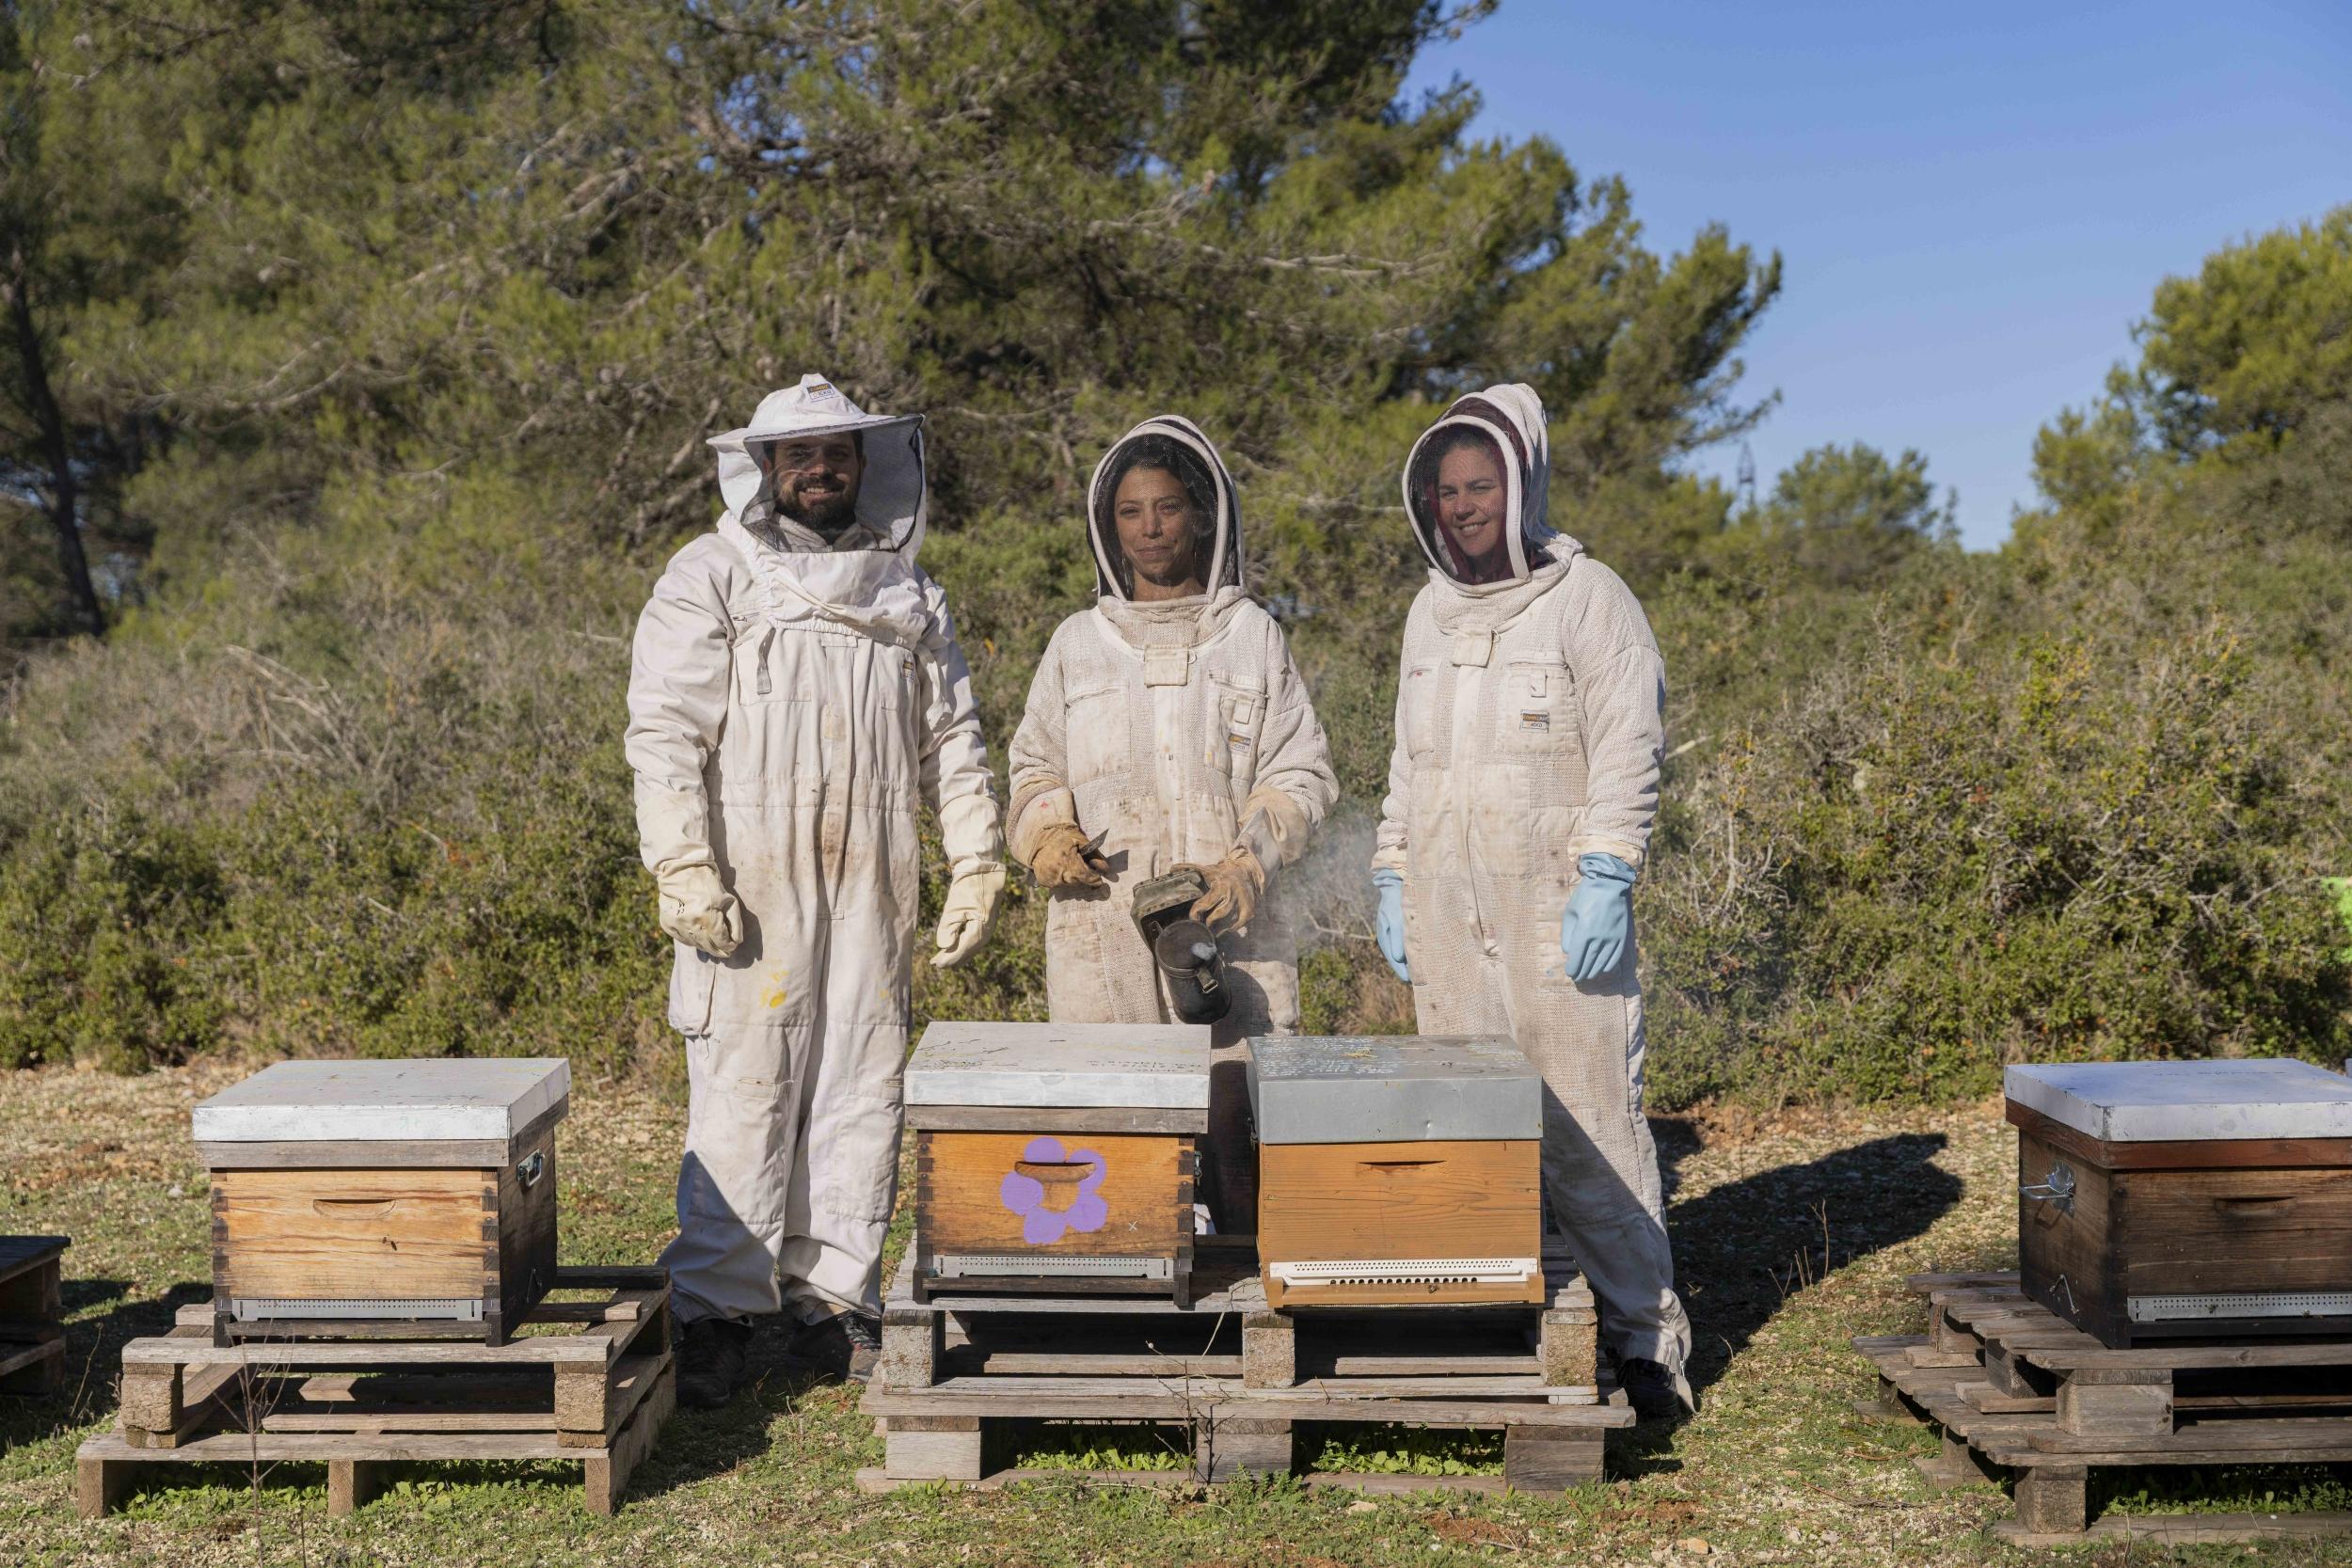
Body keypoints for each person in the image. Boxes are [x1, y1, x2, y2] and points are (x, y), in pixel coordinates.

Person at [626, 373, 1006, 1405]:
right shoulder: (712, 574)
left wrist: (977, 856)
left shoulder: (908, 592)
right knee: (744, 1090)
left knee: (859, 1080)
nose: (820, 469)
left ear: (864, 463)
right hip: (752, 884)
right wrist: (683, 862)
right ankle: (714, 1312)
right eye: (800, 455)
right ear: (765, 468)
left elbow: (952, 739)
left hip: (874, 879)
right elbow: (665, 732)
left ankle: (831, 1301)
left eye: (837, 452)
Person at [1369, 384, 1694, 1420]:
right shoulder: (1427, 611)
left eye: (1482, 485)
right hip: (1446, 913)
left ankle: (1645, 1341)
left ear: (1523, 485)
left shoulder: (1592, 598)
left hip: (1557, 912)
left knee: (1591, 1129)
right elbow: (1408, 760)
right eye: (1448, 489)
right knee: (1471, 1131)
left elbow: (1629, 747)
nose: (1463, 505)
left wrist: (1608, 872)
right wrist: (1392, 869)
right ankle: (1505, 1322)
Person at [1007, 416, 1337, 1225]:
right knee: (1116, 1143)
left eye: (1166, 507)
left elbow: (1299, 770)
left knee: (1241, 1135)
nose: (1150, 527)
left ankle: (1243, 1283)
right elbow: (1033, 766)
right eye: (1131, 511)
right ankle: (1136, 1284)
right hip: (1100, 933)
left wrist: (1249, 860)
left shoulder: (1252, 638)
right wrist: (1048, 832)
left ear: (1200, 516)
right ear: (1108, 527)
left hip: (1232, 931)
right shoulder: (1076, 645)